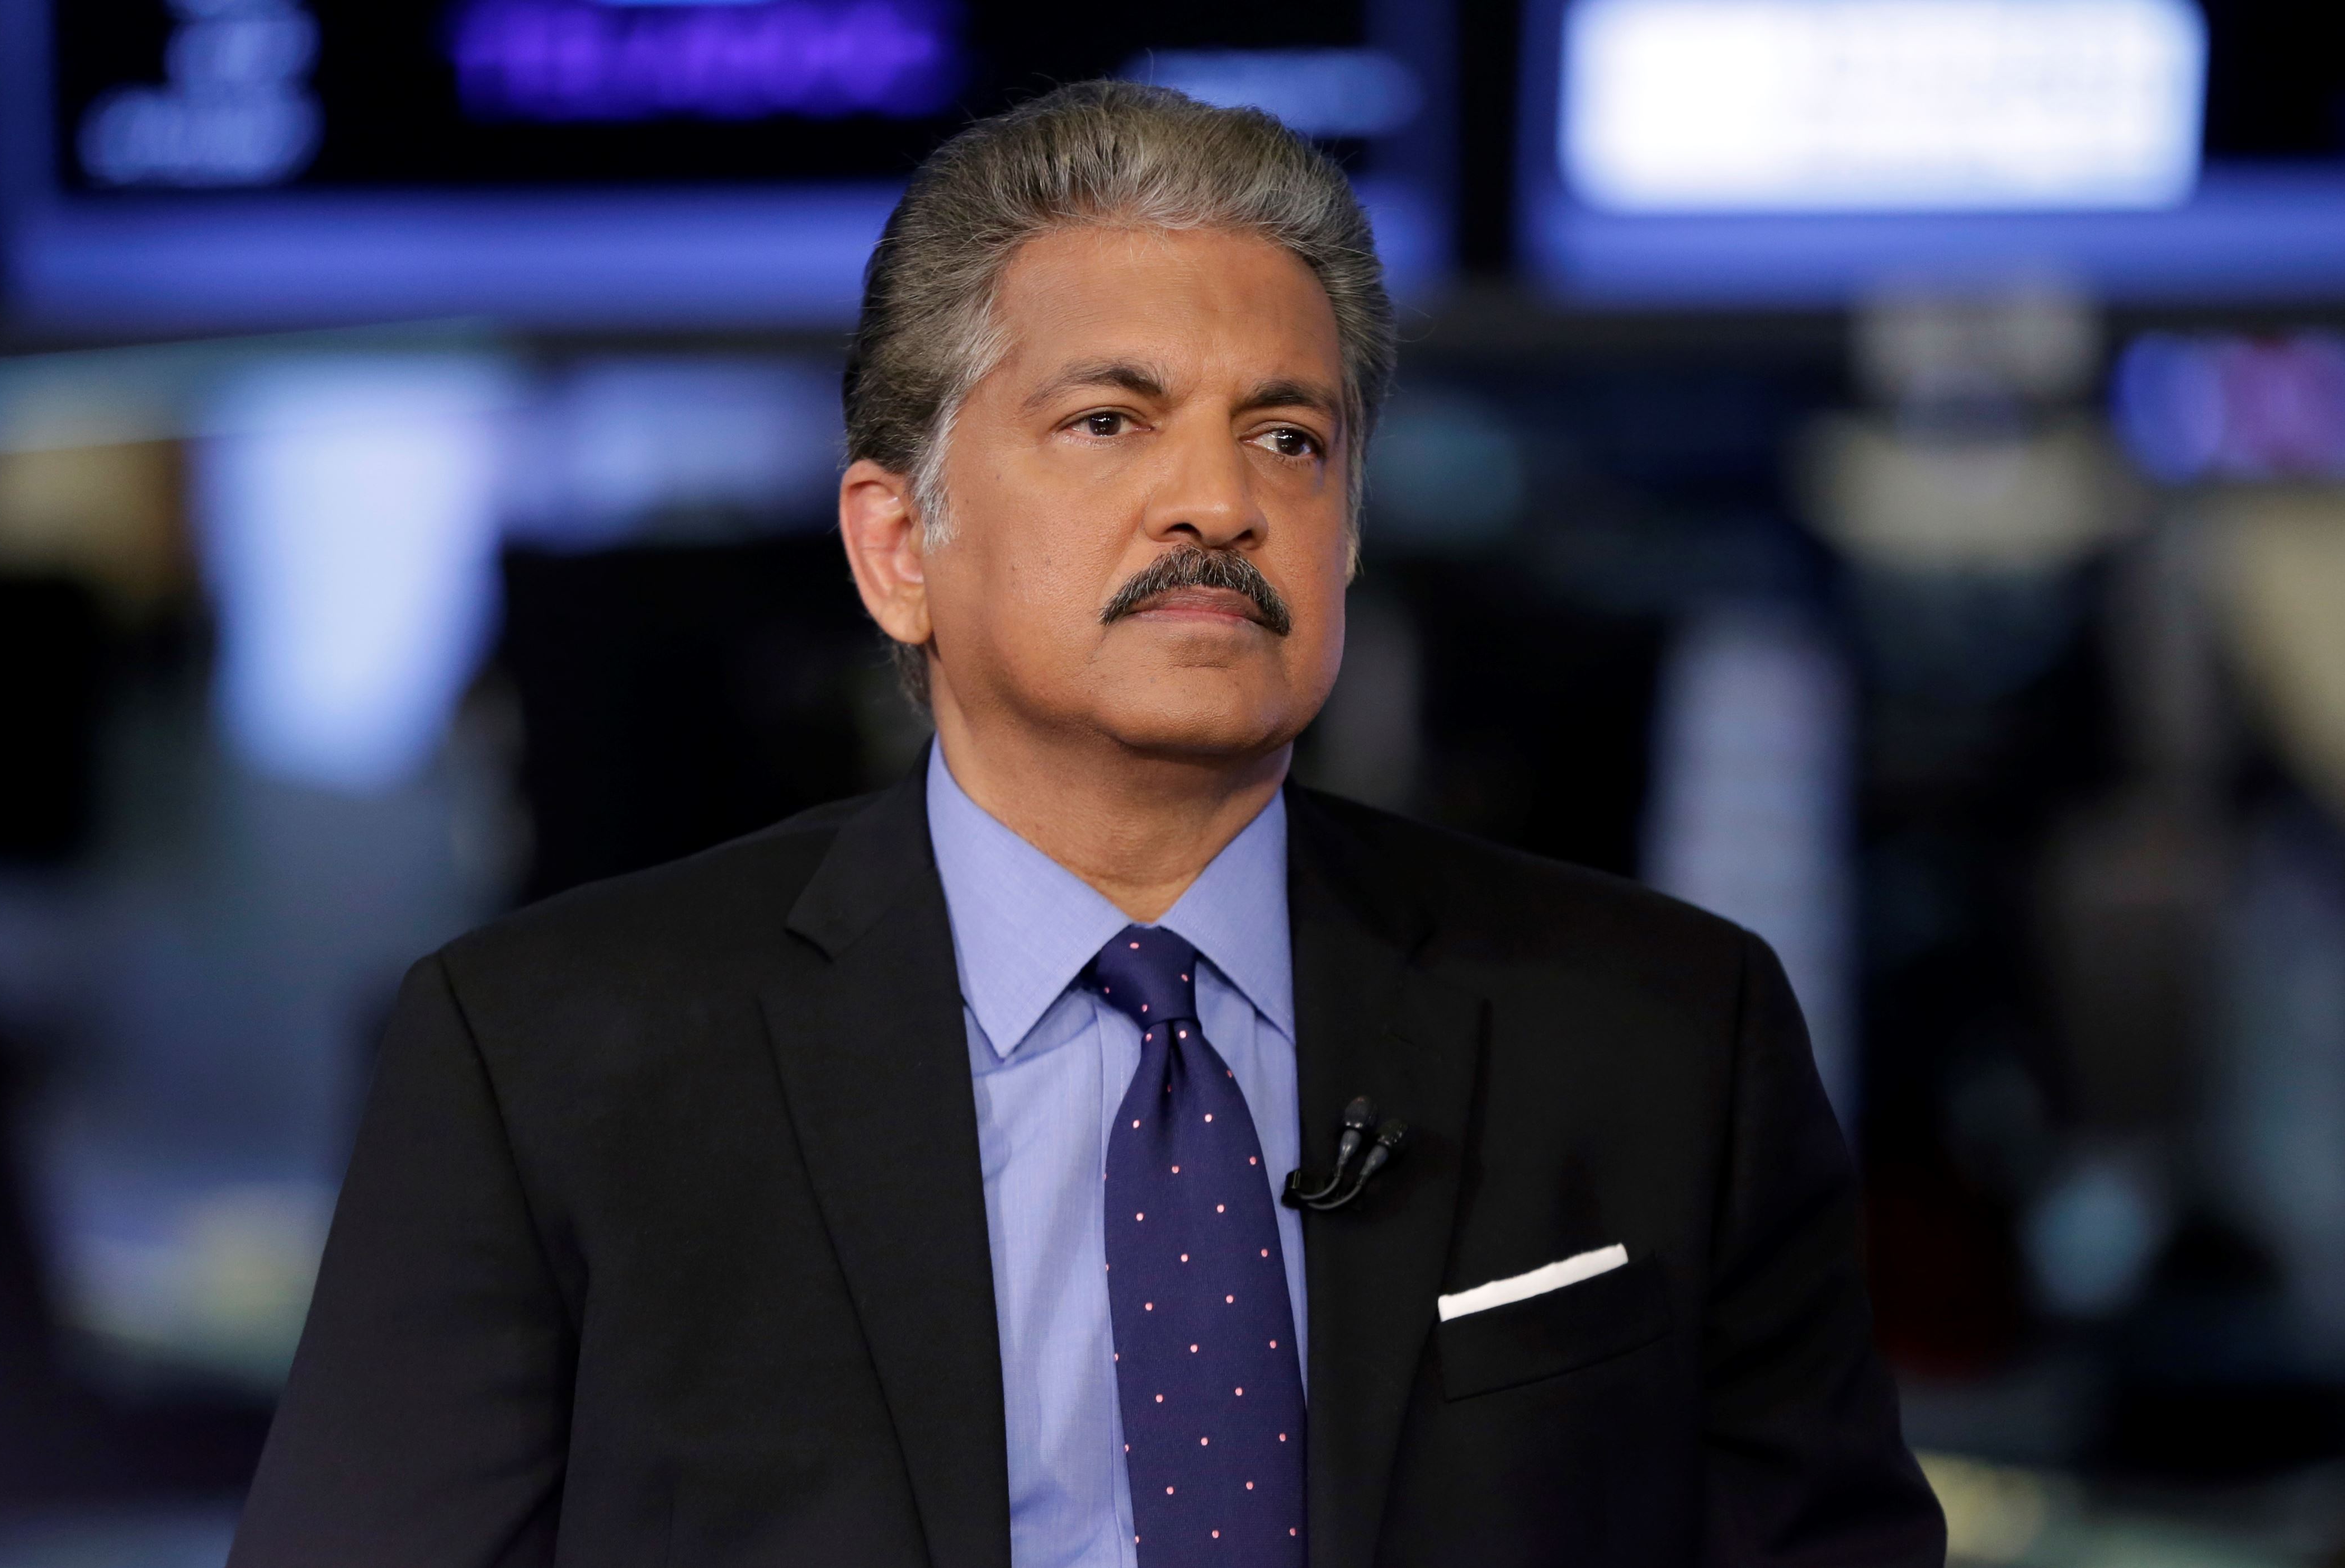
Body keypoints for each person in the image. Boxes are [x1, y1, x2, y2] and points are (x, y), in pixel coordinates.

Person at [228, 83, 1945, 1568]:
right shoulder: (545, 1061)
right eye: (1110, 421)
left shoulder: (1661, 1033)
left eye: (1290, 437)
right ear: (899, 545)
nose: (1219, 500)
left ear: (1348, 540)